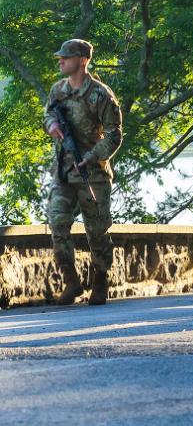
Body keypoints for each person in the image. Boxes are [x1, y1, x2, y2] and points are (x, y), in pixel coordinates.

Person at [44, 39, 123, 306]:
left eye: (66, 57)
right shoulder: (58, 90)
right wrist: (52, 124)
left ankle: (100, 280)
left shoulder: (100, 95)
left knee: (97, 230)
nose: (60, 61)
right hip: (63, 172)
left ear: (82, 60)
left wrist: (90, 157)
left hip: (92, 173)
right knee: (57, 223)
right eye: (60, 57)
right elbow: (47, 116)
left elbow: (114, 136)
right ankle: (71, 281)